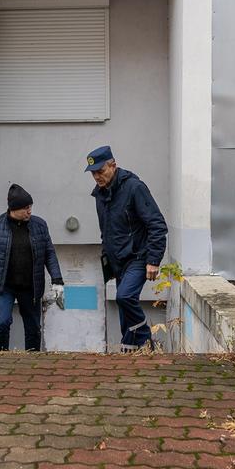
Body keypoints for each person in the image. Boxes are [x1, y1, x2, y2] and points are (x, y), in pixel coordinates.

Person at [85, 146, 168, 352]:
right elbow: (106, 230)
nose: (96, 176)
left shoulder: (134, 188)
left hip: (139, 257)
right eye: (93, 173)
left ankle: (146, 341)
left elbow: (157, 225)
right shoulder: (100, 195)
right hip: (118, 261)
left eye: (100, 171)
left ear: (113, 165)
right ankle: (130, 348)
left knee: (124, 297)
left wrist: (153, 260)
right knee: (123, 307)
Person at [0, 184, 64, 351]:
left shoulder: (39, 225)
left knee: (33, 327)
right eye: (25, 208)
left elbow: (49, 253)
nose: (29, 211)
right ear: (13, 208)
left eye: (30, 207)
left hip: (31, 286)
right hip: (3, 286)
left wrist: (57, 280)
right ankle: (0, 358)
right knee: (2, 323)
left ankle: (32, 359)